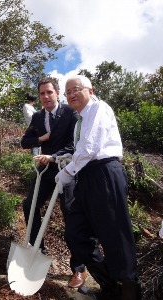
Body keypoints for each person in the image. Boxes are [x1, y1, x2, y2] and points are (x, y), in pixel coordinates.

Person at [55, 75, 141, 299]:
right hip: (86, 176)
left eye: (76, 89)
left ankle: (129, 293)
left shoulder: (99, 108)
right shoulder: (81, 119)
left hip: (105, 173)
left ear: (90, 90)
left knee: (115, 235)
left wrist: (67, 172)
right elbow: (82, 149)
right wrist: (68, 161)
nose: (72, 94)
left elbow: (91, 148)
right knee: (76, 234)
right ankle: (110, 286)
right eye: (68, 92)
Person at [20, 77, 84, 287]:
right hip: (46, 169)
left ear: (57, 93)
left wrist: (54, 156)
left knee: (70, 214)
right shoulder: (38, 117)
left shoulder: (70, 113)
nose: (46, 97)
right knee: (29, 205)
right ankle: (38, 250)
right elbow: (25, 142)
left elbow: (74, 145)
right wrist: (42, 138)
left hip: (67, 168)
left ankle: (78, 268)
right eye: (42, 94)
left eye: (49, 92)